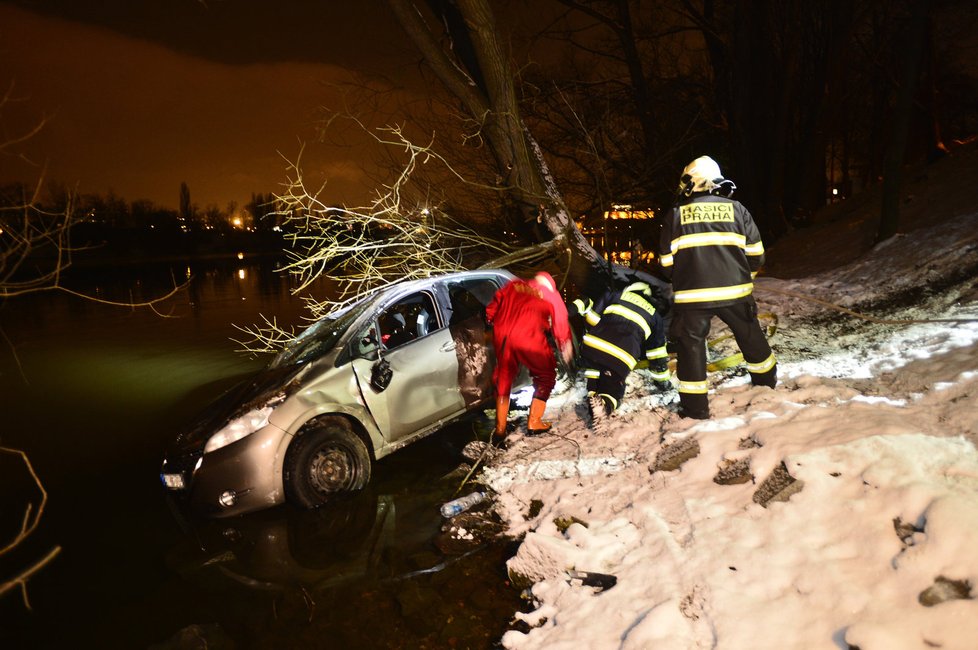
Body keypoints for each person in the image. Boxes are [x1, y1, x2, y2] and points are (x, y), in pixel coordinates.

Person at [658, 155, 777, 419]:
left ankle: (695, 409)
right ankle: (766, 386)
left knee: (690, 347)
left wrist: (687, 277)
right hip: (736, 292)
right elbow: (756, 255)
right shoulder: (737, 209)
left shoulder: (675, 215)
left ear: (688, 182)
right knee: (749, 335)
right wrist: (745, 278)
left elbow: (666, 264)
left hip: (692, 296)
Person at [485, 272, 572, 438]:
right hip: (529, 336)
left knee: (504, 376)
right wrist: (564, 344)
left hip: (502, 334)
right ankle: (534, 422)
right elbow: (560, 323)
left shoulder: (514, 285)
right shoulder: (551, 295)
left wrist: (492, 320)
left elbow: (493, 306)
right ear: (550, 284)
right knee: (546, 375)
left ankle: (500, 428)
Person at [573, 281, 670, 425]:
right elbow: (657, 353)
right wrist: (662, 382)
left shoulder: (614, 295)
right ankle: (605, 404)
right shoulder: (655, 316)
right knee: (614, 386)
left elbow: (592, 319)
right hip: (620, 355)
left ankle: (593, 395)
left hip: (592, 346)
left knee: (594, 370)